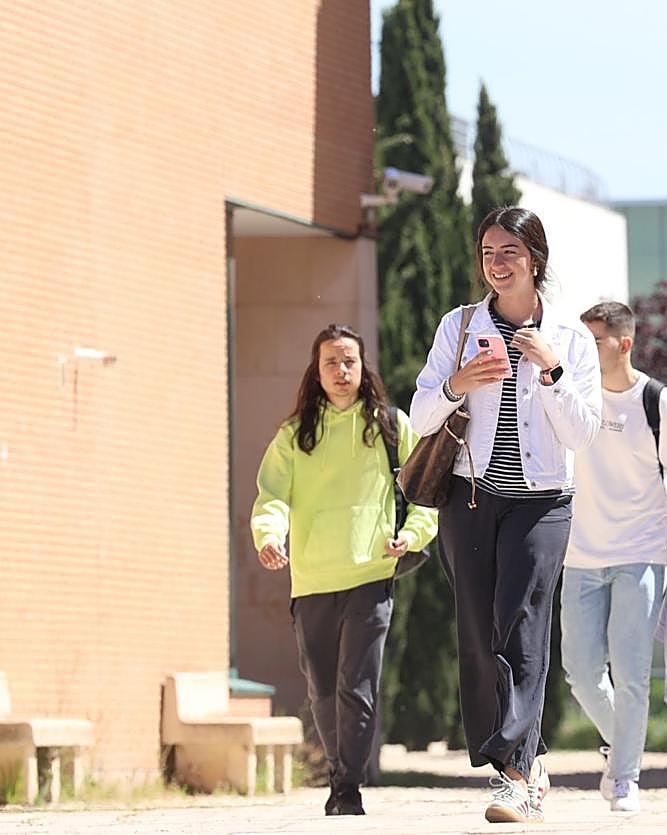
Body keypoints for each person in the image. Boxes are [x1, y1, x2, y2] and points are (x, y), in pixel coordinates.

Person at [409, 206, 601, 824]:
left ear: (535, 261)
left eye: (509, 253)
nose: (497, 264)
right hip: (469, 498)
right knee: (478, 632)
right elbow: (418, 418)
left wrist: (550, 369)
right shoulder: (459, 326)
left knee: (520, 624)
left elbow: (582, 434)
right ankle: (528, 758)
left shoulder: (570, 337)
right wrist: (457, 382)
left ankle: (513, 776)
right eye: (488, 253)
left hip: (542, 503)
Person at [250, 323, 438, 817]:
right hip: (312, 578)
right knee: (323, 689)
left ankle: (347, 787)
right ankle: (339, 772)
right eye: (331, 361)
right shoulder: (294, 436)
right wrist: (269, 537)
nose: (341, 370)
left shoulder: (390, 426)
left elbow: (425, 493)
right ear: (316, 370)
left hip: (370, 574)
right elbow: (271, 497)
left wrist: (412, 534)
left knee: (357, 686)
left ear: (363, 367)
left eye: (349, 360)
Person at [559, 302, 667, 813]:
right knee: (579, 671)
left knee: (629, 672)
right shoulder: (572, 396)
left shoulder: (658, 403)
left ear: (624, 343)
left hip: (641, 554)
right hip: (578, 553)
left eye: (594, 340)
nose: (583, 349)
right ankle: (621, 742)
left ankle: (625, 777)